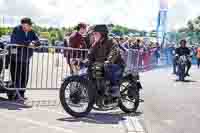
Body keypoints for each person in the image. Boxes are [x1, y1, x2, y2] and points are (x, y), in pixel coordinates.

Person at [88, 24, 124, 98]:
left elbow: (115, 51)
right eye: (93, 34)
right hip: (102, 65)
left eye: (95, 34)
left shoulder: (111, 41)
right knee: (90, 69)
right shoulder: (95, 44)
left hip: (116, 66)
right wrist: (82, 61)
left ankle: (115, 89)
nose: (94, 35)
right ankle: (97, 91)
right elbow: (90, 54)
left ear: (102, 33)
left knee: (107, 66)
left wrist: (109, 61)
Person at [10, 17, 40, 100]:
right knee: (16, 77)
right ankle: (16, 94)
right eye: (29, 25)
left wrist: (34, 42)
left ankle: (22, 94)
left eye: (30, 25)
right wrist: (28, 43)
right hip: (16, 58)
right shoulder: (17, 29)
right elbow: (16, 41)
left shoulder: (31, 31)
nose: (30, 27)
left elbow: (38, 41)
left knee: (25, 77)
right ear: (24, 25)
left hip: (26, 58)